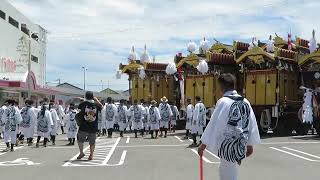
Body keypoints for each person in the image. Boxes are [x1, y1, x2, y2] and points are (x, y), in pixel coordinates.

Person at [198, 73, 261, 180]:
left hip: (228, 144)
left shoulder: (223, 102)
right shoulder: (245, 101)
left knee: (226, 173)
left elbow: (213, 124)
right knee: (230, 171)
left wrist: (203, 144)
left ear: (221, 87)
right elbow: (251, 123)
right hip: (241, 143)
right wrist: (250, 144)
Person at [77, 91, 102, 160]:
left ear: (86, 96)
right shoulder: (96, 104)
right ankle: (91, 155)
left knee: (80, 140)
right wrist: (96, 100)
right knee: (92, 142)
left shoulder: (83, 103)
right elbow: (102, 107)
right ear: (93, 97)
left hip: (83, 126)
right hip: (93, 126)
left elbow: (78, 110)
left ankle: (81, 153)